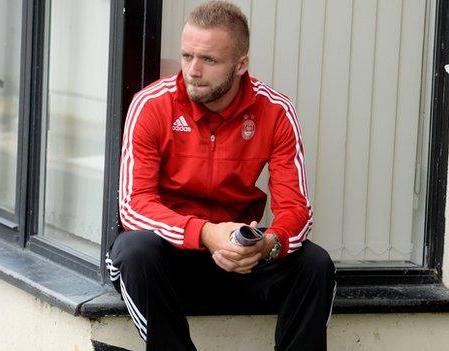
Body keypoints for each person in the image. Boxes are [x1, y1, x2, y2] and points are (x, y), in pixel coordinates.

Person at [106, 1, 336, 350]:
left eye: (208, 60)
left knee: (315, 264)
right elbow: (134, 207)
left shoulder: (275, 112)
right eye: (186, 56)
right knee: (136, 250)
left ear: (241, 64)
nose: (192, 70)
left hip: (239, 260)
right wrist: (206, 233)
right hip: (170, 258)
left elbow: (297, 210)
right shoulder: (152, 104)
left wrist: (267, 245)